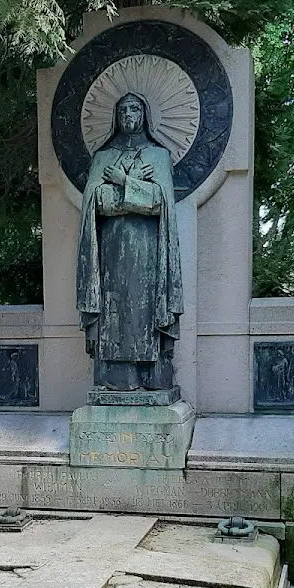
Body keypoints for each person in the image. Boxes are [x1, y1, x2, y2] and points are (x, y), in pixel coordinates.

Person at [76, 92, 183, 391]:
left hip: (148, 250)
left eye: (134, 108)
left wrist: (124, 183)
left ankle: (152, 375)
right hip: (110, 251)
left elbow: (160, 203)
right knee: (115, 310)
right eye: (123, 110)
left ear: (145, 114)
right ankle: (116, 377)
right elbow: (95, 204)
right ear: (116, 116)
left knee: (145, 308)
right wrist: (134, 194)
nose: (128, 114)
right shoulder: (103, 158)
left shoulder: (158, 156)